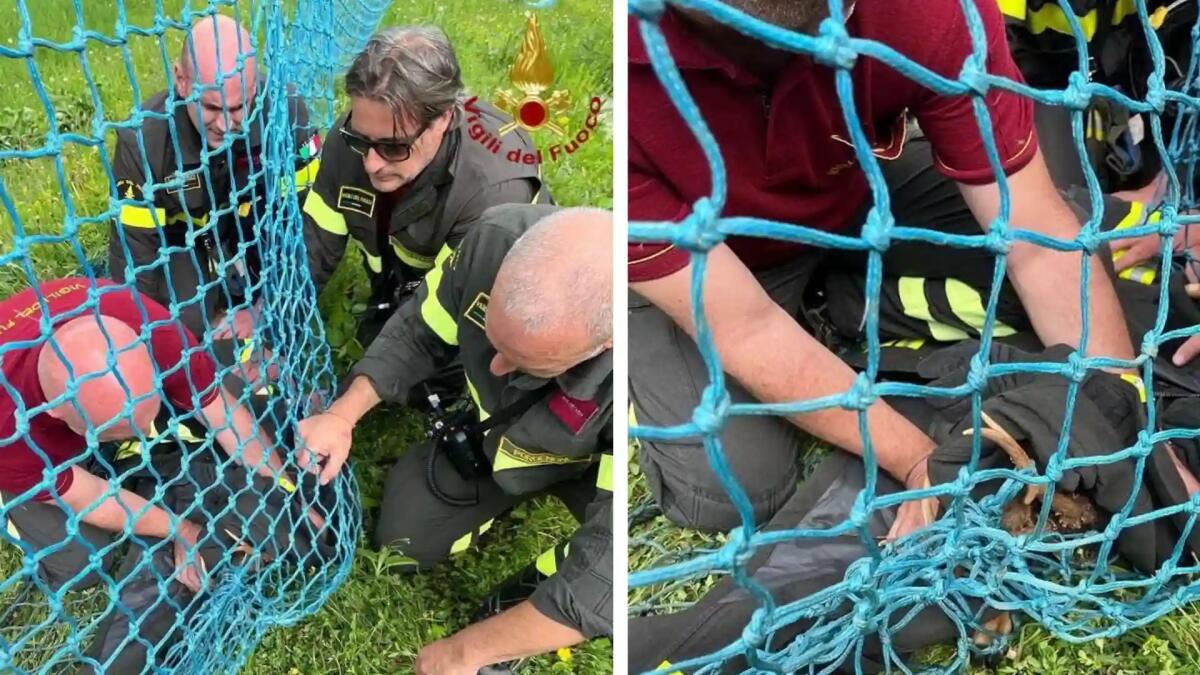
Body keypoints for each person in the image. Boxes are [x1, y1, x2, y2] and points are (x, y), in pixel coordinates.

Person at [628, 0, 1141, 547]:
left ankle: (840, 304)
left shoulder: (932, 10)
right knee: (723, 489)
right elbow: (746, 327)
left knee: (1082, 235)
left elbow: (1036, 238)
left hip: (854, 194)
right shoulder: (631, 63)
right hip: (715, 261)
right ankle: (800, 320)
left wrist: (1126, 416)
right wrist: (921, 462)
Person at [297, 204, 612, 673]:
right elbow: (418, 333)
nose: (497, 367)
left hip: (596, 469)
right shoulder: (492, 241)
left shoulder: (643, 384)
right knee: (404, 542)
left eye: (525, 361)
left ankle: (533, 593)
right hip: (499, 441)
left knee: (595, 566)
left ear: (601, 346)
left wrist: (467, 652)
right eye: (495, 342)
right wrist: (342, 414)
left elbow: (611, 558)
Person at [0, 276, 317, 669]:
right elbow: (90, 495)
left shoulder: (146, 323)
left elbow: (219, 410)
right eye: (120, 428)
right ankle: (14, 498)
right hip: (18, 446)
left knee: (210, 406)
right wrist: (183, 530)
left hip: (86, 351)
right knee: (80, 565)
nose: (146, 434)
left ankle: (126, 422)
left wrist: (286, 492)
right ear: (56, 412)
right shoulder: (7, 424)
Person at [301, 26, 552, 351]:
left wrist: (358, 390)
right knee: (375, 343)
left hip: (485, 298)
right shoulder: (349, 137)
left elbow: (448, 307)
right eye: (361, 140)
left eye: (394, 147)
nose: (371, 164)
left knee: (423, 383)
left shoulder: (491, 193)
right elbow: (316, 242)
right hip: (399, 275)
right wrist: (272, 319)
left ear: (444, 119)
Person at [107, 14, 320, 341]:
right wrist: (140, 341)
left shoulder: (286, 113)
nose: (223, 124)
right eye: (209, 106)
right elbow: (136, 260)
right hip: (184, 240)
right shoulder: (142, 143)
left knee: (286, 321)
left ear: (255, 87)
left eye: (238, 108)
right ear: (181, 81)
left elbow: (310, 219)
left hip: (259, 231)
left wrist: (267, 305)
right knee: (181, 327)